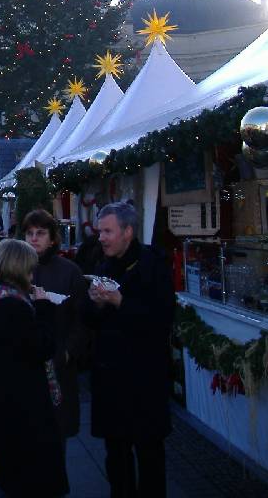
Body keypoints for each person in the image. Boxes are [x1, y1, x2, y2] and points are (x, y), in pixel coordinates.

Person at [83, 202, 175, 498]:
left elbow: (160, 321)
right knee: (116, 456)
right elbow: (92, 322)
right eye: (100, 232)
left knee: (149, 455)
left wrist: (119, 302)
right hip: (110, 380)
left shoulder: (154, 266)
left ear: (128, 232)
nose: (102, 238)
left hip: (145, 381)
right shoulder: (103, 266)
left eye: (108, 231)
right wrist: (96, 304)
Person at [0, 239, 69, 498]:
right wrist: (44, 308)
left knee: (8, 476)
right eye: (30, 269)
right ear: (18, 269)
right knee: (30, 480)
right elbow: (41, 347)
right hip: (23, 409)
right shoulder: (12, 307)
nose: (32, 275)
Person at [22, 209, 87, 444]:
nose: (34, 238)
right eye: (29, 233)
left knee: (57, 434)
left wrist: (68, 352)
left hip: (59, 364)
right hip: (25, 364)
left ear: (52, 238)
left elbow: (80, 320)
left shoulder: (69, 271)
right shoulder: (16, 270)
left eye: (40, 233)